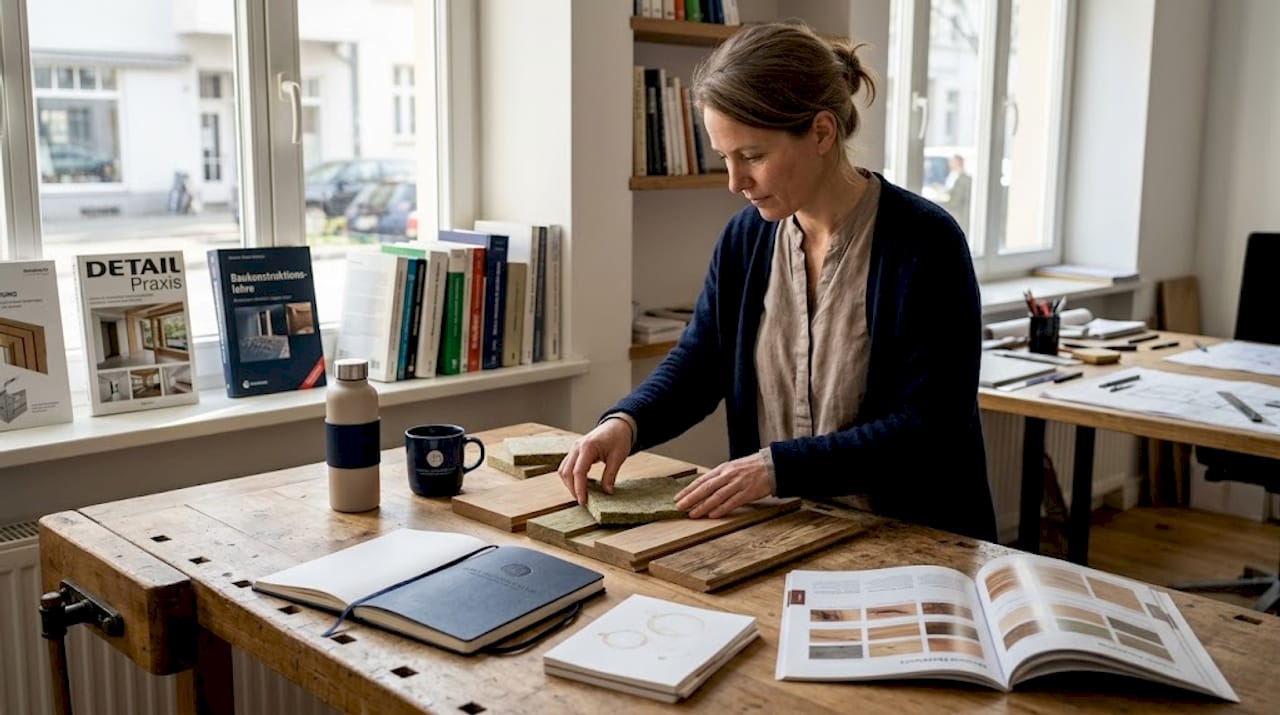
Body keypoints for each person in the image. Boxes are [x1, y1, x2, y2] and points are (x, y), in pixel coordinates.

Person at [559, 21, 996, 541]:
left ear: (821, 132)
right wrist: (625, 423)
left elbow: (929, 429)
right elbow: (701, 363)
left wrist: (776, 468)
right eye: (725, 158)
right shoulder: (746, 238)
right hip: (783, 535)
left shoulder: (926, 243)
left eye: (752, 156)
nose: (734, 182)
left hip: (916, 542)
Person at [941, 154, 972, 231]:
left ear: (957, 162)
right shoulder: (953, 175)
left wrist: (941, 204)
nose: (949, 163)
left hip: (958, 214)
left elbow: (956, 199)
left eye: (952, 161)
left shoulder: (963, 178)